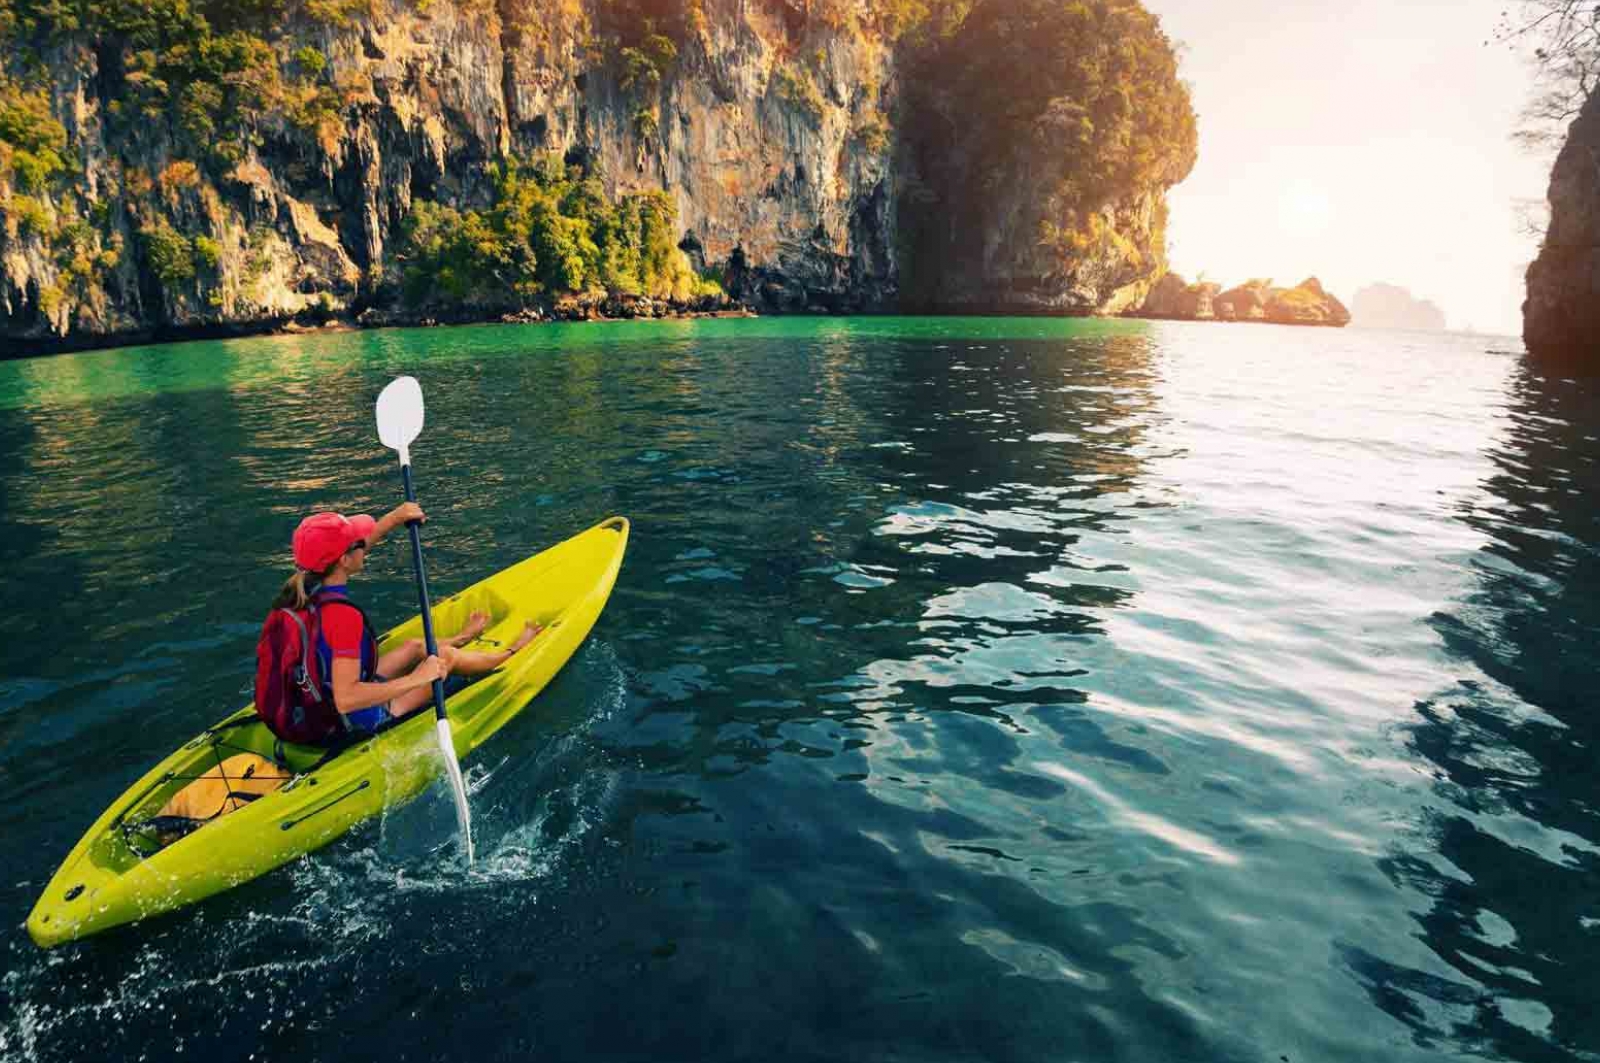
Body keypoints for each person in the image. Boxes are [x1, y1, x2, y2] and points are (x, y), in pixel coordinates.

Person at [272, 505, 541, 737]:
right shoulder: (343, 618)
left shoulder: (301, 590)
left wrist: (395, 518)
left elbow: (352, 549)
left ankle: (462, 638)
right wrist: (418, 678)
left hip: (317, 701)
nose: (363, 544)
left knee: (414, 646)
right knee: (445, 657)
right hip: (355, 717)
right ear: (344, 560)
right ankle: (511, 653)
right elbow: (347, 699)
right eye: (358, 543)